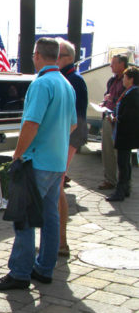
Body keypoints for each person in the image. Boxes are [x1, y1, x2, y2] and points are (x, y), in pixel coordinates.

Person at [0, 38, 77, 290]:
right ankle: (44, 268)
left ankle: (20, 272)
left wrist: (18, 153)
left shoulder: (41, 83)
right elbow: (73, 124)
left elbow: (31, 123)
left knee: (24, 217)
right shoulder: (66, 84)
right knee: (50, 216)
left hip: (36, 161)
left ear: (37, 55)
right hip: (56, 161)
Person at [55, 39, 88, 257]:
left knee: (55, 186)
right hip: (65, 137)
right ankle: (57, 240)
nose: (53, 59)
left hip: (68, 138)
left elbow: (74, 118)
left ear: (67, 58)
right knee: (54, 187)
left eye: (57, 55)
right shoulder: (67, 78)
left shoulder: (73, 80)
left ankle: (62, 242)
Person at [106, 67, 139, 201]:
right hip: (125, 133)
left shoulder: (133, 93)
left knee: (123, 163)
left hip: (126, 134)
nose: (123, 80)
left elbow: (130, 115)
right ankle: (125, 189)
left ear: (130, 79)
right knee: (125, 163)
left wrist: (115, 119)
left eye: (125, 77)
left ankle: (120, 191)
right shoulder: (130, 92)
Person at [98, 55, 129, 190]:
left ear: (122, 64)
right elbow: (108, 95)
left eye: (113, 63)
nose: (111, 66)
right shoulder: (111, 80)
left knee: (122, 153)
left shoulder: (128, 80)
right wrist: (104, 102)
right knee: (107, 150)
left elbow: (125, 99)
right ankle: (110, 179)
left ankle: (124, 182)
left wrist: (113, 99)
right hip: (108, 116)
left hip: (120, 119)